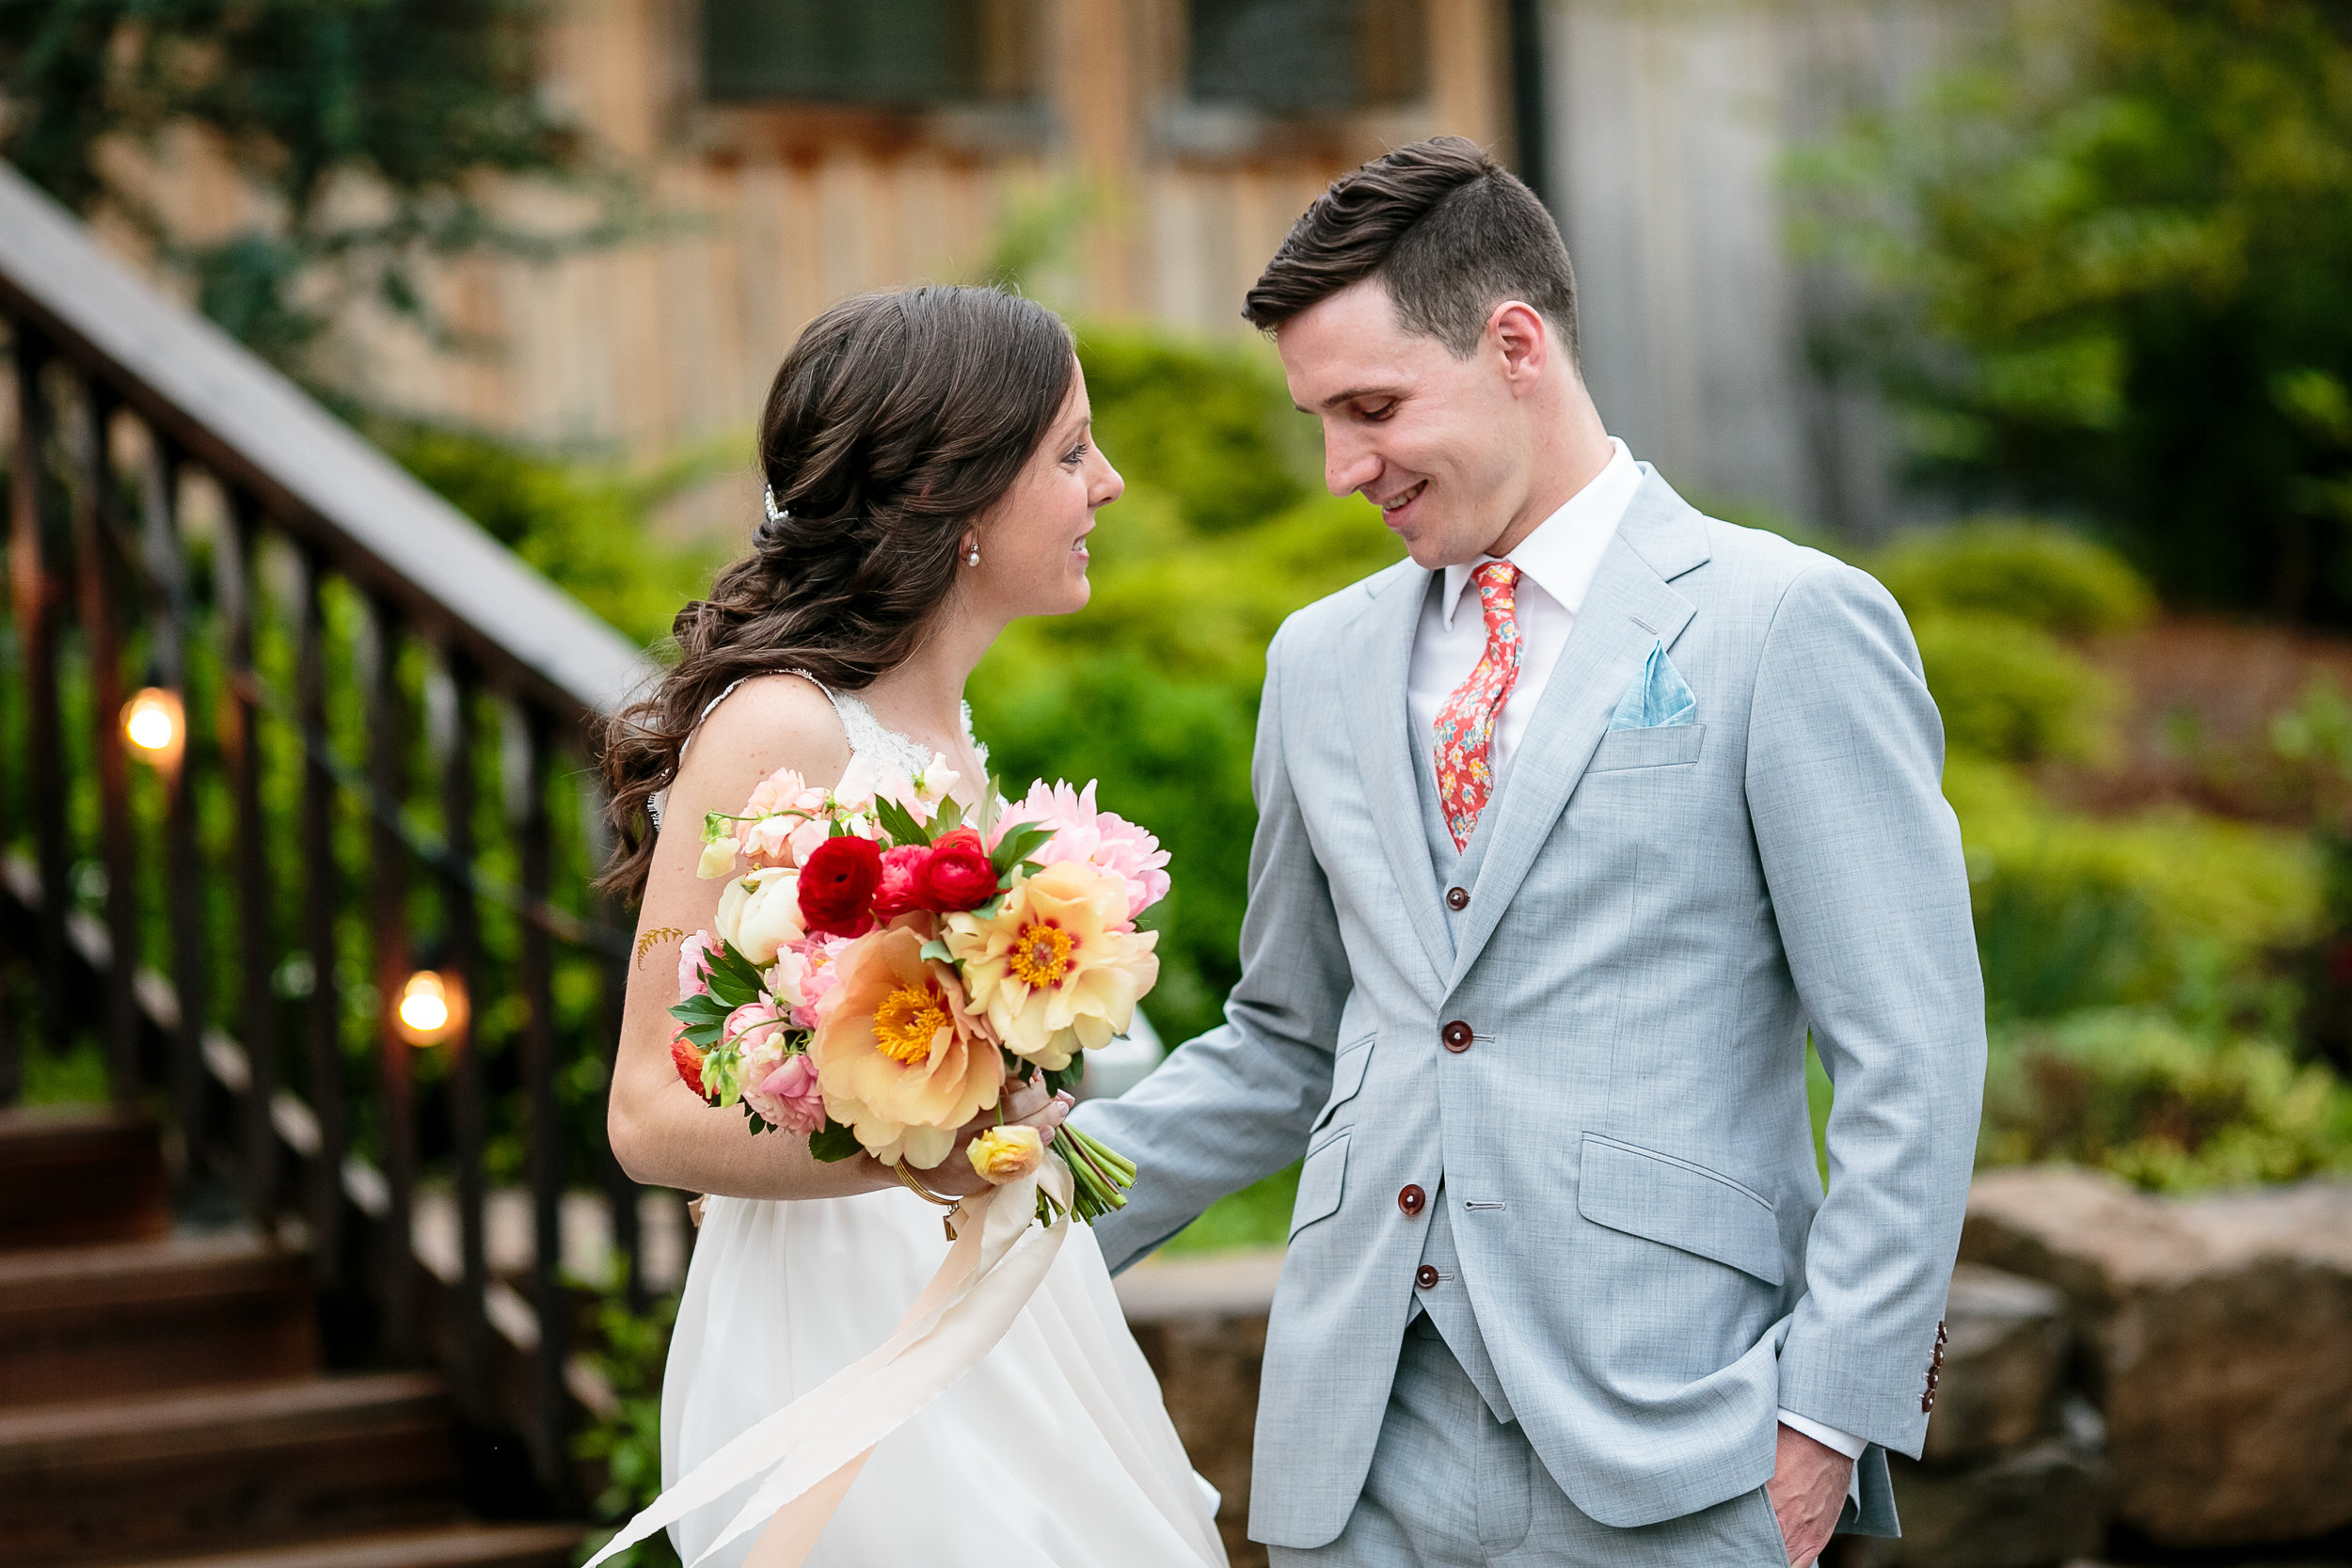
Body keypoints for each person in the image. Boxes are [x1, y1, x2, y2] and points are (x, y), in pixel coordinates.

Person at [1073, 136, 1987, 1567]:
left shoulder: (1783, 620)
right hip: (1356, 1439)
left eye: (1371, 408)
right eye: (1319, 418)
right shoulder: (1320, 660)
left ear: (1514, 345)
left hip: (1681, 1442)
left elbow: (1911, 1057)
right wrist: (1021, 1205)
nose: (1339, 469)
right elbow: (1279, 1041)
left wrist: (1826, 1421)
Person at [598, 285, 1227, 1568]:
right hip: (841, 1311)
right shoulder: (779, 726)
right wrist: (926, 1146)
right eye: (1068, 451)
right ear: (960, 499)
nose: (1106, 483)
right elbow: (650, 1116)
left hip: (1000, 1282)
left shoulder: (948, 737)